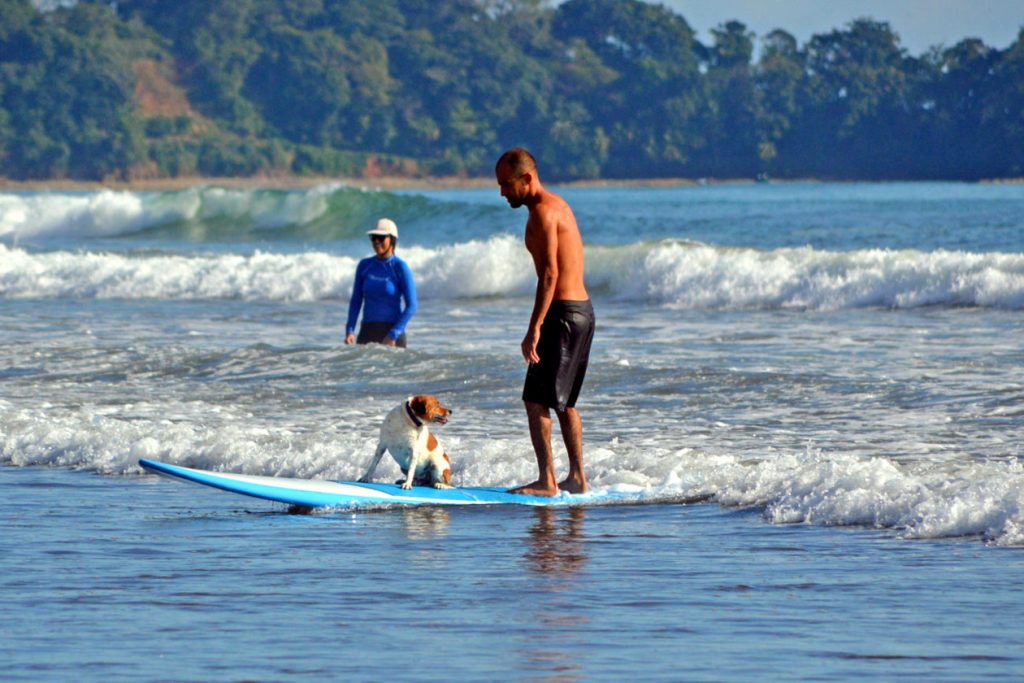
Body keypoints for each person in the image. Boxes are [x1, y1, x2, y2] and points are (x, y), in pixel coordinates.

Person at [495, 148, 595, 496]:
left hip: (563, 314)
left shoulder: (542, 213)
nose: (502, 192)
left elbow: (550, 274)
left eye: (506, 185)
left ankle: (547, 481)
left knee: (535, 399)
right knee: (563, 400)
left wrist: (534, 327)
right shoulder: (556, 204)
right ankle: (577, 478)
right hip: (581, 312)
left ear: (526, 178)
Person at [345, 218, 417, 348]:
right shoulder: (364, 266)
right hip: (367, 332)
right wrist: (350, 330)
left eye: (381, 237)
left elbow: (412, 306)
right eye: (373, 237)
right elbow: (356, 300)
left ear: (392, 240)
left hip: (392, 335)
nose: (376, 242)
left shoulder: (400, 267)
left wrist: (393, 334)